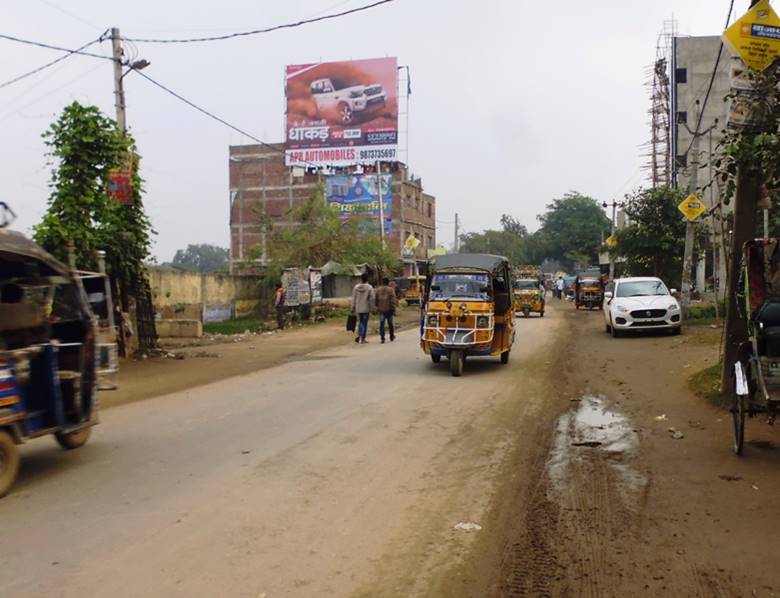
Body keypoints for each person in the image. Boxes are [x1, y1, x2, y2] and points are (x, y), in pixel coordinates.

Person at [351, 272, 375, 344]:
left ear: (361, 278)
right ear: (367, 279)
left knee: (360, 322)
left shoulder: (356, 287)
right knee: (364, 323)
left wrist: (352, 307)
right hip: (366, 308)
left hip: (358, 308)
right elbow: (371, 299)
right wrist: (373, 308)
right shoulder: (369, 287)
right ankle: (362, 338)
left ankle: (360, 337)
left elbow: (353, 298)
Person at [375, 276, 399, 343]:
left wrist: (377, 307)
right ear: (388, 282)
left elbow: (376, 299)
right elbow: (393, 300)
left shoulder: (378, 290)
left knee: (382, 324)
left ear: (382, 282)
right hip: (389, 309)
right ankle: (391, 336)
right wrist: (393, 308)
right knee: (390, 323)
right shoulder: (391, 290)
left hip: (381, 309)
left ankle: (382, 338)